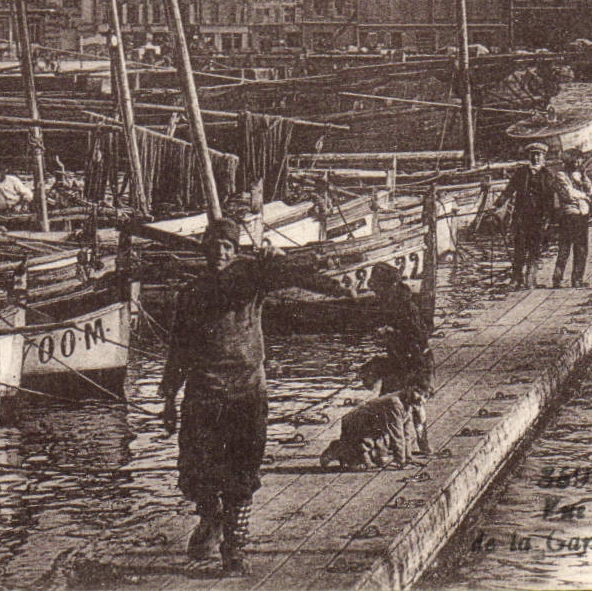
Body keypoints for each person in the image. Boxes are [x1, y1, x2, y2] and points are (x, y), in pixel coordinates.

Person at [158, 218, 353, 576]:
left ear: (235, 251)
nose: (220, 253)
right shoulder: (191, 293)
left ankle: (235, 549)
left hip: (245, 391)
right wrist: (169, 397)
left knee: (241, 472)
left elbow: (292, 275)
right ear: (205, 249)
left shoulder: (251, 280)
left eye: (227, 247)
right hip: (203, 392)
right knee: (195, 472)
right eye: (214, 246)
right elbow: (178, 349)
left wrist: (282, 260)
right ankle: (212, 518)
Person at [357, 262, 434, 396]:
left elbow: (420, 337)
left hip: (416, 365)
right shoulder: (390, 302)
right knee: (368, 370)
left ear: (388, 287)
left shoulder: (405, 307)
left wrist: (391, 331)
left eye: (379, 289)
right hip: (399, 360)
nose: (376, 293)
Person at [493, 142, 559, 287]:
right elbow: (509, 190)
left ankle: (530, 278)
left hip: (539, 218)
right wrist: (497, 205)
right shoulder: (521, 173)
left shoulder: (548, 175)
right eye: (533, 155)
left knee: (535, 247)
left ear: (543, 157)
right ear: (529, 156)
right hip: (522, 217)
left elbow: (552, 199)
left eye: (538, 155)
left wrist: (550, 219)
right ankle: (516, 278)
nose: (535, 158)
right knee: (519, 248)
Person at [552, 153, 592, 288]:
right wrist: (585, 196)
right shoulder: (561, 175)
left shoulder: (580, 175)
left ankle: (577, 279)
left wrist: (584, 177)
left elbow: (590, 190)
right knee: (564, 248)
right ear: (568, 162)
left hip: (582, 214)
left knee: (581, 248)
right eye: (575, 162)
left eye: (579, 162)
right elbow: (569, 194)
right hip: (569, 214)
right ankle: (557, 278)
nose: (578, 164)